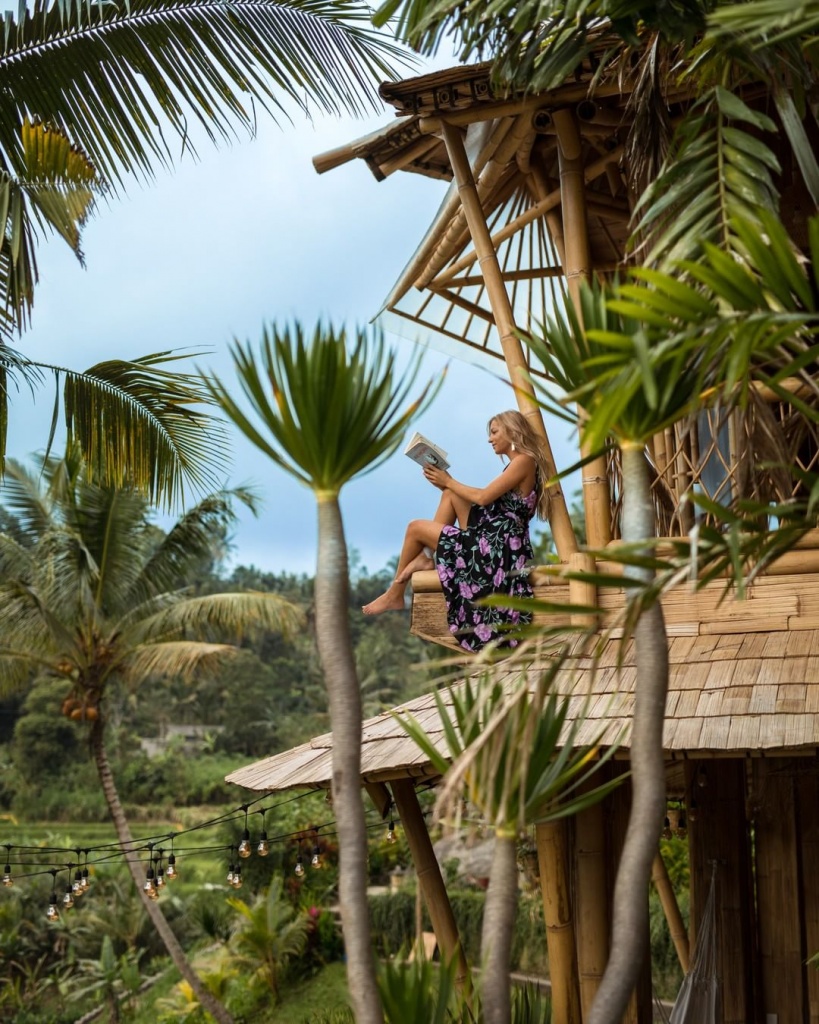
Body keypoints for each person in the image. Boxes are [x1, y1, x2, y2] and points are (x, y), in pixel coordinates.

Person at [362, 410, 552, 652]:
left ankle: (395, 592)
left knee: (415, 528)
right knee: (450, 494)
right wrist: (446, 482)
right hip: (492, 534)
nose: (489, 439)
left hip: (497, 547)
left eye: (494, 432)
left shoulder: (524, 460)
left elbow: (483, 498)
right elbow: (481, 500)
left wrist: (448, 480)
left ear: (513, 431)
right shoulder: (519, 463)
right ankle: (425, 557)